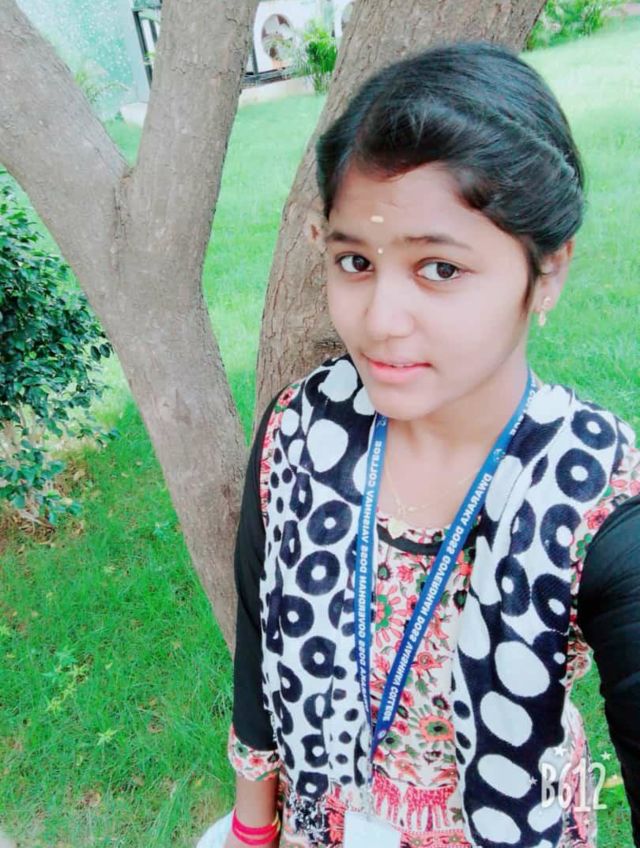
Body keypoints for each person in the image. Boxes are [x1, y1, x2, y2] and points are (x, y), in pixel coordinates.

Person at [217, 41, 640, 848]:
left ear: (547, 272)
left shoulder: (596, 504)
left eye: (439, 269)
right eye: (354, 260)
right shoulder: (302, 431)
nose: (380, 321)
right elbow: (260, 641)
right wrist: (251, 828)